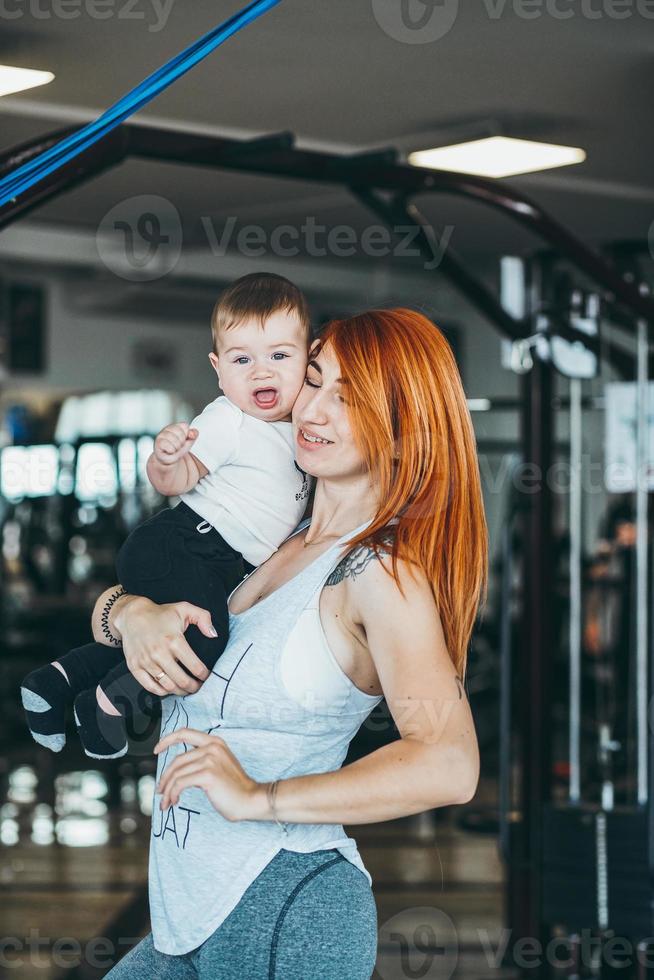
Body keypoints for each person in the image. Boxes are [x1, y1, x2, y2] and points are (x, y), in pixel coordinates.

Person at [97, 308, 487, 979]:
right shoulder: (268, 537)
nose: (314, 410)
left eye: (350, 397)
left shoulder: (377, 573)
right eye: (314, 380)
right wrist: (128, 612)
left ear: (404, 427)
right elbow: (125, 608)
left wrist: (261, 798)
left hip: (285, 905)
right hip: (183, 913)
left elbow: (449, 765)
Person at [20, 272, 312, 759]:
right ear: (219, 370)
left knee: (163, 638)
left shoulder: (298, 431)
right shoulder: (229, 420)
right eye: (243, 360)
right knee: (202, 639)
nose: (262, 372)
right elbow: (175, 482)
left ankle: (53, 684)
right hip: (185, 543)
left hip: (215, 561)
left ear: (306, 359)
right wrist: (168, 458)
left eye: (280, 356)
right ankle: (106, 708)